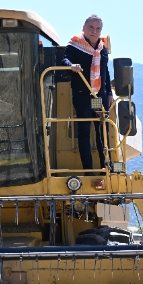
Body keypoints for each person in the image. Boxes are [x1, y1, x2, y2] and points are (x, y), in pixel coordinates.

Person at [61, 14, 113, 174]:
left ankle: (107, 167)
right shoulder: (74, 45)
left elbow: (105, 71)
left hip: (99, 96)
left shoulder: (102, 49)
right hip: (82, 94)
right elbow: (64, 59)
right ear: (84, 28)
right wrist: (72, 65)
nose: (94, 31)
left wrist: (109, 92)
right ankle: (88, 171)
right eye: (91, 27)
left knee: (102, 130)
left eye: (98, 28)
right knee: (84, 131)